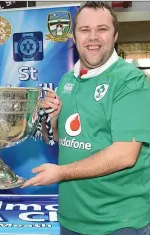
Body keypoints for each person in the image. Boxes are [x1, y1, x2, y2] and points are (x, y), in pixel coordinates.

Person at [22, 2, 150, 235]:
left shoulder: (130, 81)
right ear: (74, 36)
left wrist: (60, 172)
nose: (93, 37)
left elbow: (125, 155)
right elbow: (62, 138)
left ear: (115, 35)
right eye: (84, 30)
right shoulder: (67, 80)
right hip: (72, 218)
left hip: (119, 222)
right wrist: (50, 120)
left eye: (102, 29)